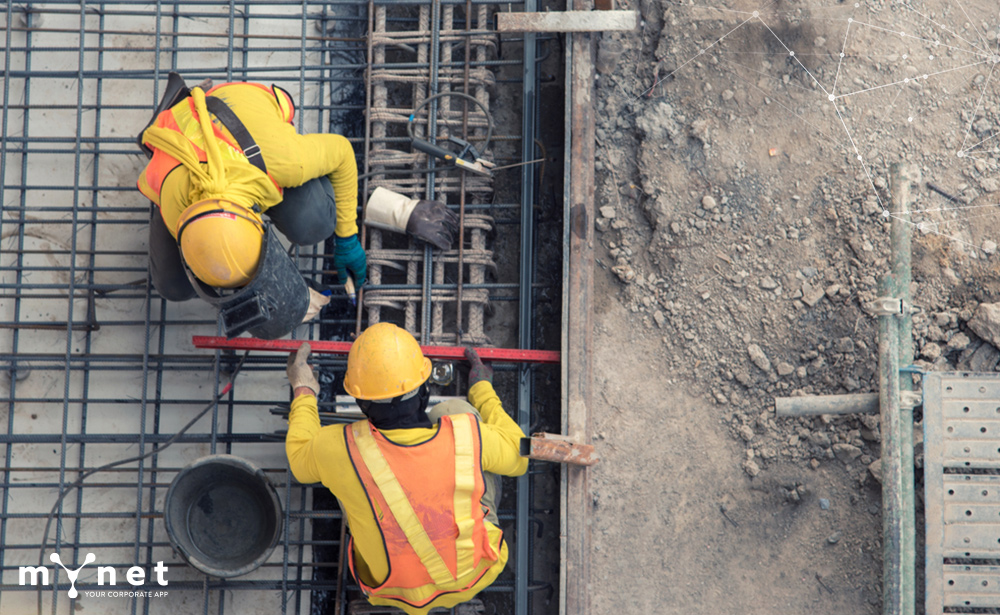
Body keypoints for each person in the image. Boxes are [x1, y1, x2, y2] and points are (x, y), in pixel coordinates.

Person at [284, 323, 528, 614]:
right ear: (423, 391)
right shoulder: (466, 434)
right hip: (474, 573)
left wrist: (304, 388)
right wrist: (482, 388)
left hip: (390, 591)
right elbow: (519, 455)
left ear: (361, 404)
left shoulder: (339, 447)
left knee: (347, 474)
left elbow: (299, 459)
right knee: (455, 412)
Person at [135, 77, 367, 338]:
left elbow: (344, 153)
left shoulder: (285, 160)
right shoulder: (174, 204)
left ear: (256, 220)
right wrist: (283, 292)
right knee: (173, 287)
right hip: (178, 147)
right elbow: (222, 259)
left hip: (240, 111)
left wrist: (347, 237)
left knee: (316, 222)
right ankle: (172, 112)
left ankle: (184, 104)